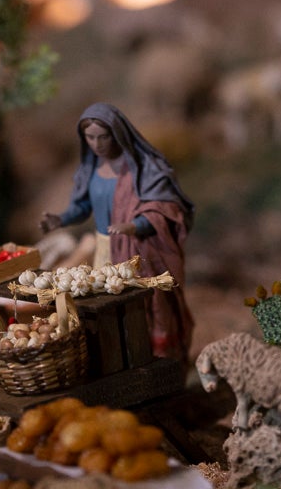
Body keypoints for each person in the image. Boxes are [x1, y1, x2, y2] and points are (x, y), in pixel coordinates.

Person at [40, 102, 195, 364]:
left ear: (117, 134)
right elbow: (83, 206)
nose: (97, 144)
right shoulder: (91, 170)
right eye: (90, 138)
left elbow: (164, 208)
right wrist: (61, 219)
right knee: (110, 308)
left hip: (138, 252)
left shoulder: (142, 169)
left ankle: (161, 363)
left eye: (103, 137)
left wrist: (136, 226)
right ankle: (124, 363)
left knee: (149, 306)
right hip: (105, 251)